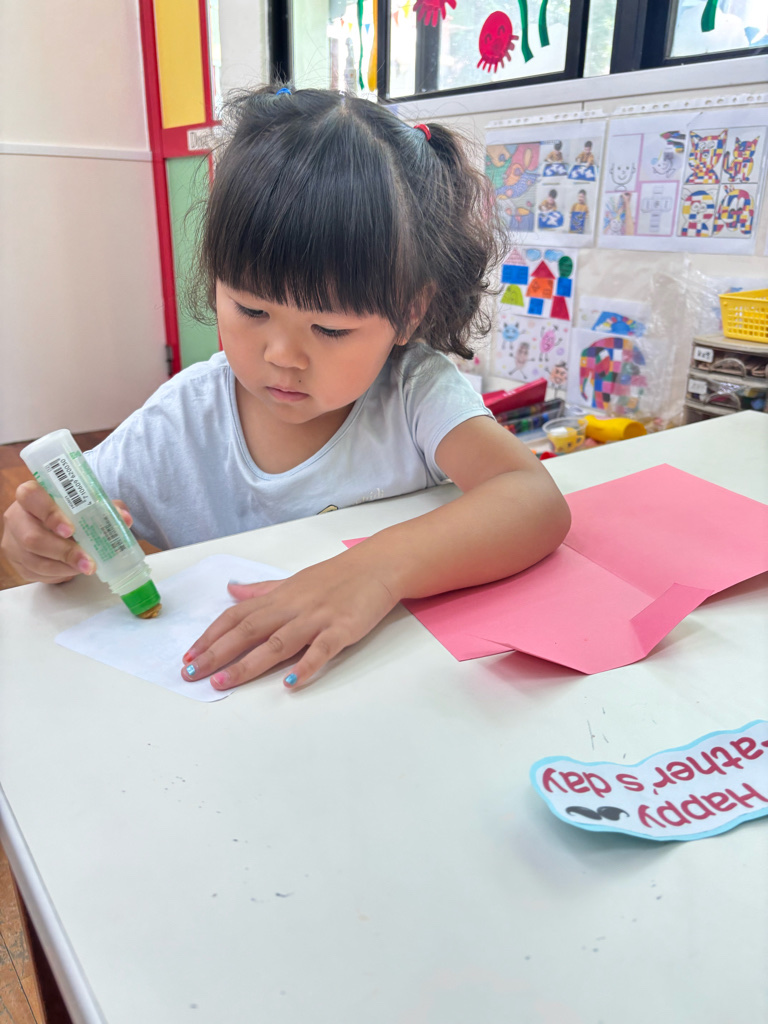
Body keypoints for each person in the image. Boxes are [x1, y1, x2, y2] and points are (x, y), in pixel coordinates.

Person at [2, 86, 571, 692]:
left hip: (386, 692)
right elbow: (74, 516)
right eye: (251, 310)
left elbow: (532, 500)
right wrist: (41, 542)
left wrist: (376, 570)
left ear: (409, 313)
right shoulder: (180, 420)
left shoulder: (414, 395)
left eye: (330, 329)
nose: (282, 356)